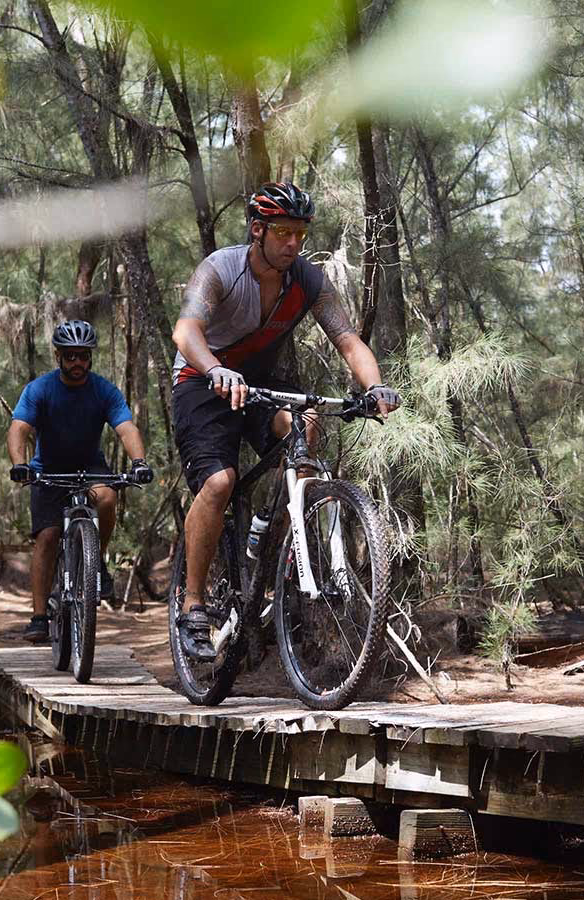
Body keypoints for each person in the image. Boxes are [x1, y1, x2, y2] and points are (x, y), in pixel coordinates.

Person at [170, 181, 401, 660]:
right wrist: (214, 370)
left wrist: (374, 386)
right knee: (218, 483)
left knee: (306, 424)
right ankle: (192, 604)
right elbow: (185, 330)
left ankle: (269, 524)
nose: (293, 243)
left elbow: (347, 339)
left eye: (300, 233)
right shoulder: (221, 269)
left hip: (258, 385)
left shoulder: (308, 280)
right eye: (283, 233)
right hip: (201, 379)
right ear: (258, 230)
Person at [8, 320, 152, 642]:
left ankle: (95, 563)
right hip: (47, 471)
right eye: (71, 356)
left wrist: (139, 462)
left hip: (90, 468)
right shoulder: (40, 389)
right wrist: (20, 465)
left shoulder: (104, 390)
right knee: (47, 536)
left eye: (83, 356)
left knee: (108, 498)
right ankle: (39, 616)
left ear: (90, 357)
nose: (77, 363)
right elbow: (19, 428)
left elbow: (126, 428)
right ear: (58, 356)